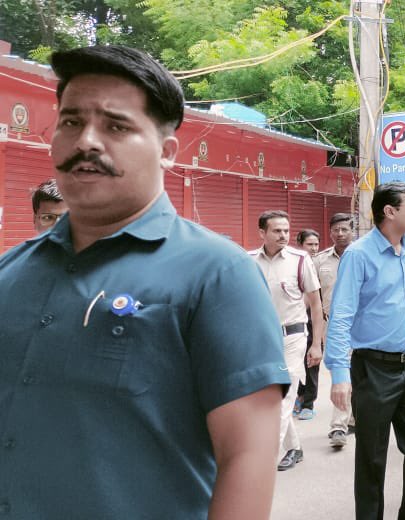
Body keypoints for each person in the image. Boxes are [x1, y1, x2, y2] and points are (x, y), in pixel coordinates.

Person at [0, 44, 288, 518]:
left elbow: (247, 457)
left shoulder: (218, 275)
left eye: (116, 126)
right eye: (71, 121)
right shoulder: (12, 272)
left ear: (168, 151)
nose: (86, 141)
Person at [325, 182, 405, 520]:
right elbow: (340, 317)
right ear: (390, 211)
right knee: (372, 456)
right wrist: (340, 375)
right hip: (374, 369)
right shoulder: (359, 255)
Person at [249, 210, 326, 472]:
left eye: (286, 230)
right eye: (276, 230)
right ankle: (294, 447)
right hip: (261, 339)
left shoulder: (300, 260)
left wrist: (317, 344)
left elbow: (316, 305)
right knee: (268, 396)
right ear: (262, 233)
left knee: (282, 397)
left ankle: (263, 461)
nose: (283, 235)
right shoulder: (249, 261)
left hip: (293, 338)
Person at [317, 212, 357, 448]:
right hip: (332, 325)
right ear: (330, 232)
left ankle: (352, 419)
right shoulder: (320, 261)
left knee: (359, 376)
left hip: (362, 325)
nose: (340, 234)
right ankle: (338, 427)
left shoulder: (362, 256)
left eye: (345, 229)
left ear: (352, 231)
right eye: (336, 230)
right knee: (340, 374)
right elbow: (312, 296)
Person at [294, 229, 322, 422]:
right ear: (300, 245)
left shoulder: (320, 263)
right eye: (309, 244)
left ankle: (308, 403)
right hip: (295, 320)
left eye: (316, 244)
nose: (313, 248)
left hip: (314, 319)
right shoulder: (295, 263)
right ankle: (300, 395)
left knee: (311, 362)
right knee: (296, 361)